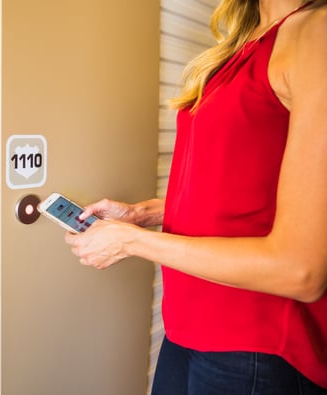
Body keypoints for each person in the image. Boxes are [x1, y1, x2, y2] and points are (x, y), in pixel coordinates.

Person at [64, 0, 327, 393]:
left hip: (256, 343)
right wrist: (142, 213)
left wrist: (132, 241)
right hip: (188, 325)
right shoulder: (245, 44)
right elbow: (237, 193)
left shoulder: (315, 32)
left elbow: (300, 271)